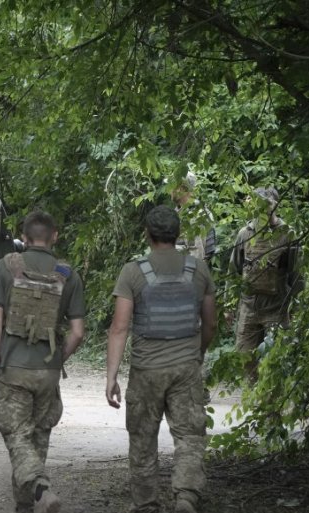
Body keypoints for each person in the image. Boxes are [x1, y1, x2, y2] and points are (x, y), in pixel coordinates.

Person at [106, 205, 216, 513]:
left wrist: (111, 376)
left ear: (148, 234)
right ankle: (186, 497)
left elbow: (119, 328)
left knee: (143, 439)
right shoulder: (198, 270)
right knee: (190, 437)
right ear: (178, 234)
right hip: (186, 368)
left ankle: (146, 504)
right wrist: (197, 353)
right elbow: (210, 324)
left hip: (146, 370)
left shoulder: (133, 272)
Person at [0, 211, 86, 513]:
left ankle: (40, 487)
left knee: (17, 435)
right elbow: (78, 332)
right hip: (48, 370)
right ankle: (25, 506)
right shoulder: (68, 274)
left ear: (23, 238)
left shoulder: (6, 266)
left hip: (14, 367)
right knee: (39, 437)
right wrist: (57, 358)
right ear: (54, 236)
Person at [229, 186, 299, 380]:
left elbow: (296, 274)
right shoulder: (245, 234)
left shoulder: (287, 234)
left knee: (275, 361)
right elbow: (233, 270)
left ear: (275, 206)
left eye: (266, 207)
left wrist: (296, 307)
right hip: (248, 307)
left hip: (277, 308)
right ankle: (255, 392)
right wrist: (228, 306)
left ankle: (272, 398)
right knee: (244, 357)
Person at [172, 171, 216, 264]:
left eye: (172, 185)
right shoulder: (176, 213)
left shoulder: (199, 215)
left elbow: (197, 255)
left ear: (182, 188)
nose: (170, 189)